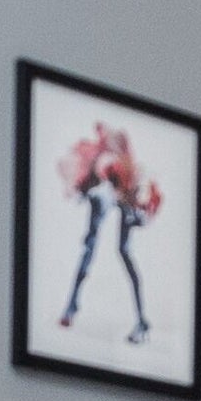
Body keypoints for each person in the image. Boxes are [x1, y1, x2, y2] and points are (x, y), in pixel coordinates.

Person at [57, 120, 161, 343]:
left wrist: (135, 213)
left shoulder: (131, 179)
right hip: (104, 188)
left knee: (121, 251)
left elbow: (143, 205)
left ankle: (141, 320)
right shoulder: (101, 176)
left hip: (120, 191)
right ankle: (71, 306)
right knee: (91, 248)